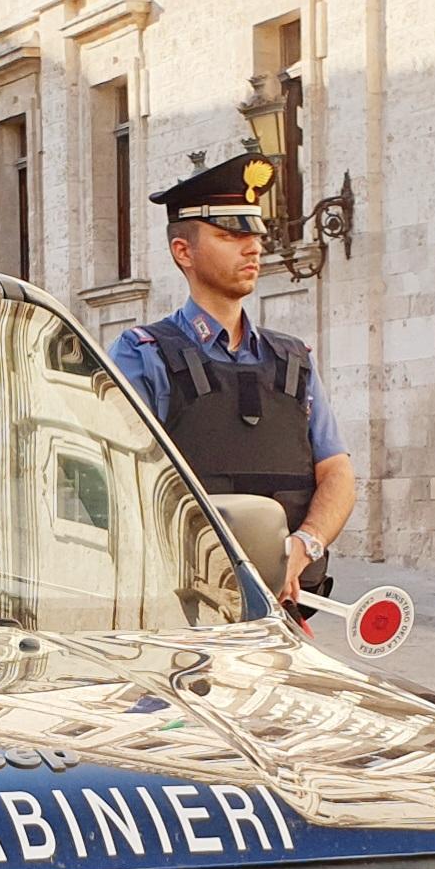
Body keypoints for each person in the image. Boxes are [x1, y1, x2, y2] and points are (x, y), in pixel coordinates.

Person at [111, 152, 357, 614]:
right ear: (183, 251)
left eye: (257, 236)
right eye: (231, 236)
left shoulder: (293, 359)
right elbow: (122, 486)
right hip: (184, 611)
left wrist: (302, 548)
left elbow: (337, 473)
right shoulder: (142, 354)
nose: (254, 248)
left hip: (285, 608)